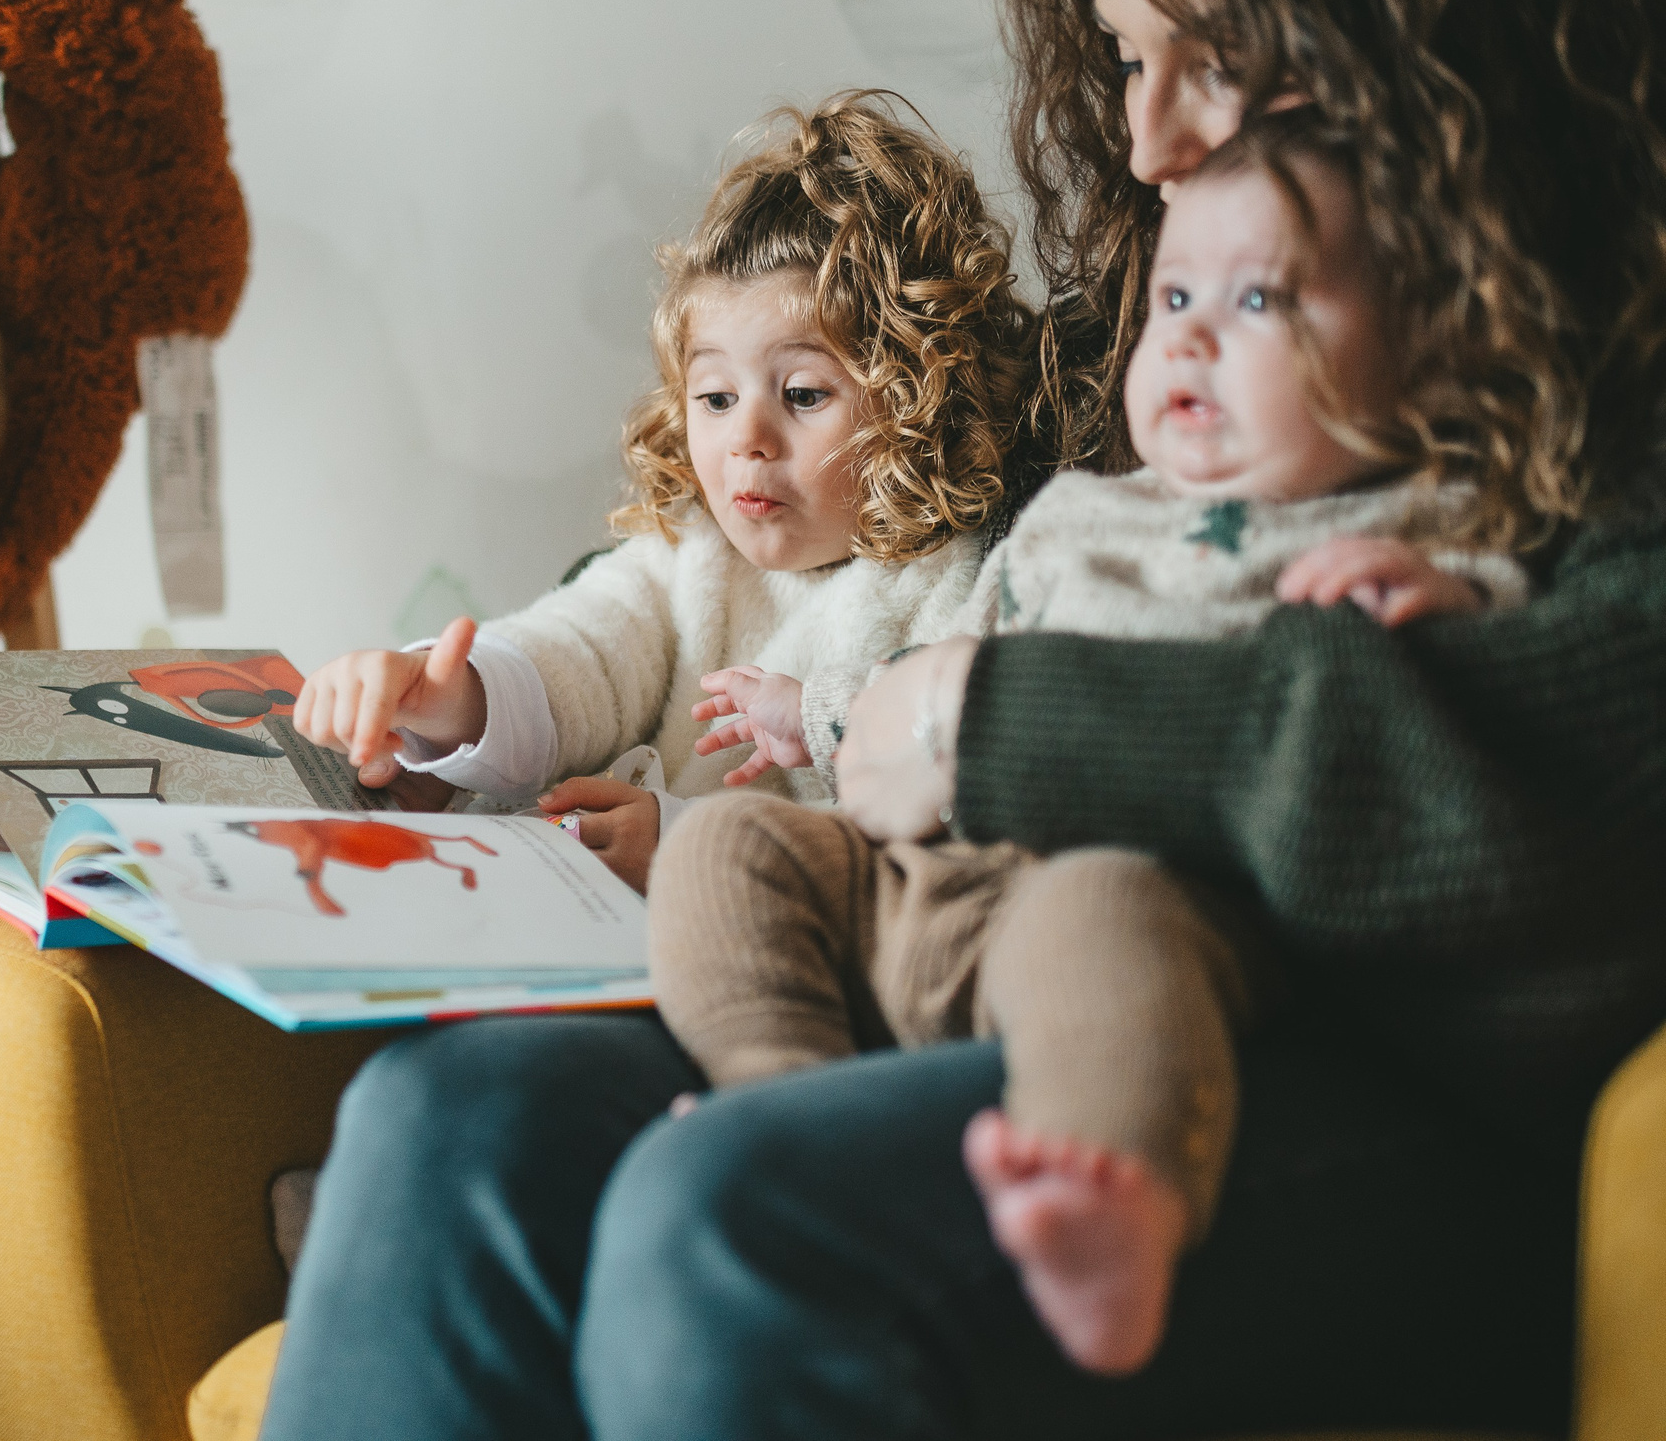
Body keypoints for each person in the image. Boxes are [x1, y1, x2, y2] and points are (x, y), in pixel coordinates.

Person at [261, 0, 1666, 1436]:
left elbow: (1575, 783)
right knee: (451, 1114)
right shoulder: (1154, 341)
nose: (1143, 140)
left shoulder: (1606, 394)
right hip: (943, 961)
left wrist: (1017, 718)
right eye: (1124, 60)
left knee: (738, 1225)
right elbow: (720, 560)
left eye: (1198, 56)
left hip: (1330, 1058)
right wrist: (482, 705)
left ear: (1408, 23)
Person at [649, 111, 1529, 1377]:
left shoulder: (1414, 519)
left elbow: (1483, 684)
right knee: (730, 845)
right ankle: (777, 1086)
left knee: (1102, 912)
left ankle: (1112, 1198)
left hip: (1108, 900)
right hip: (931, 885)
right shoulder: (1082, 512)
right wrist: (826, 714)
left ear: (1418, 348)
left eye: (1257, 299)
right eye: (1174, 292)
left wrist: (1443, 601)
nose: (1187, 331)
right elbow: (941, 669)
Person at [290, 91, 1041, 892]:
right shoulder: (688, 557)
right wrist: (449, 696)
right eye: (715, 397)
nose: (747, 437)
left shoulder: (958, 589)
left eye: (804, 394)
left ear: (918, 396)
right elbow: (582, 652)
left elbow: (926, 834)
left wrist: (687, 839)